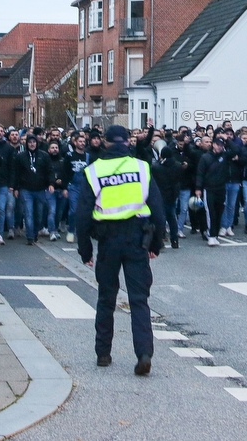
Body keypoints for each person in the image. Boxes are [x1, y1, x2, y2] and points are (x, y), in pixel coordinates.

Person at [76, 125, 166, 376]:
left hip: (108, 240)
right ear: (128, 142)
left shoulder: (93, 171)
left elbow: (82, 215)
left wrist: (85, 251)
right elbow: (158, 211)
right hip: (137, 238)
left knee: (106, 298)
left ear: (104, 143)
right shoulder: (141, 167)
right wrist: (156, 243)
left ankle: (103, 353)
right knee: (139, 300)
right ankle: (144, 353)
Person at [13, 134, 53, 245]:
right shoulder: (21, 156)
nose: (32, 144)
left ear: (37, 143)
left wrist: (51, 183)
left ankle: (35, 233)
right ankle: (30, 236)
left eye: (34, 142)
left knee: (39, 214)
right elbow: (16, 173)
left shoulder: (44, 156)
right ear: (26, 144)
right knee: (28, 213)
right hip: (26, 189)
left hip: (40, 189)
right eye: (29, 142)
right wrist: (16, 188)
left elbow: (49, 171)